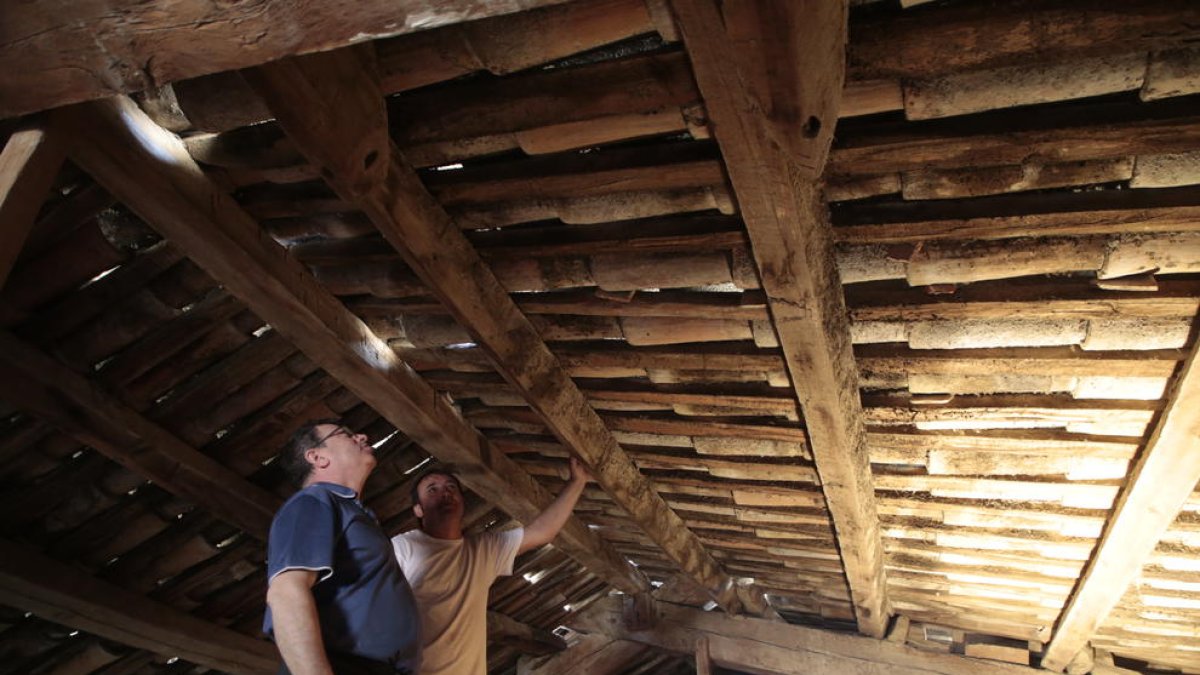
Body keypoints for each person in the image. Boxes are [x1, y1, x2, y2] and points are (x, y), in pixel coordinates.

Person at [392, 457, 592, 675]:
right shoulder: (403, 547)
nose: (445, 493)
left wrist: (577, 482)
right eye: (433, 489)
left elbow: (542, 532)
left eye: (451, 487)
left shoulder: (483, 550)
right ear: (418, 510)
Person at [264, 420, 421, 675]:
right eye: (346, 435)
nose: (361, 435)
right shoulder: (314, 501)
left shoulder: (355, 513)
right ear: (317, 457)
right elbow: (286, 592)